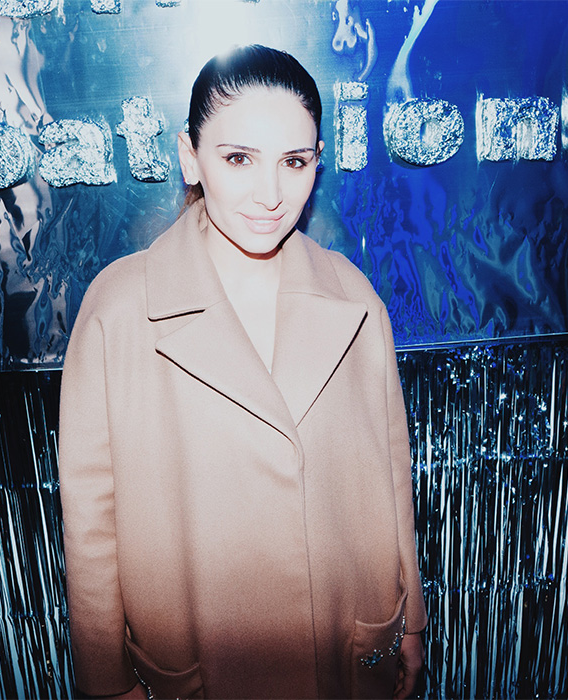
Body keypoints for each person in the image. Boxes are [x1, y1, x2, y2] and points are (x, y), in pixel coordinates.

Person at [58, 44, 427, 699]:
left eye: (294, 162)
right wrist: (106, 683)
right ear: (189, 157)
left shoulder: (351, 294)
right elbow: (91, 519)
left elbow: (390, 471)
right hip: (200, 664)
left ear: (317, 161)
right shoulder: (119, 307)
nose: (270, 195)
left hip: (343, 651)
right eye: (238, 159)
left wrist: (411, 622)